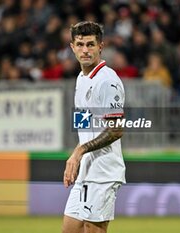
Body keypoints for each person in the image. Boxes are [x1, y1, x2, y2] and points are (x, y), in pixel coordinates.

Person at [62, 21, 126, 233]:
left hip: (104, 171)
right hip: (86, 171)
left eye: (90, 44)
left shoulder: (107, 80)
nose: (85, 50)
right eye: (80, 45)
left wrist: (79, 151)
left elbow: (116, 129)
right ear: (72, 47)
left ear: (101, 46)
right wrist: (78, 157)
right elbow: (84, 124)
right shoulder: (81, 79)